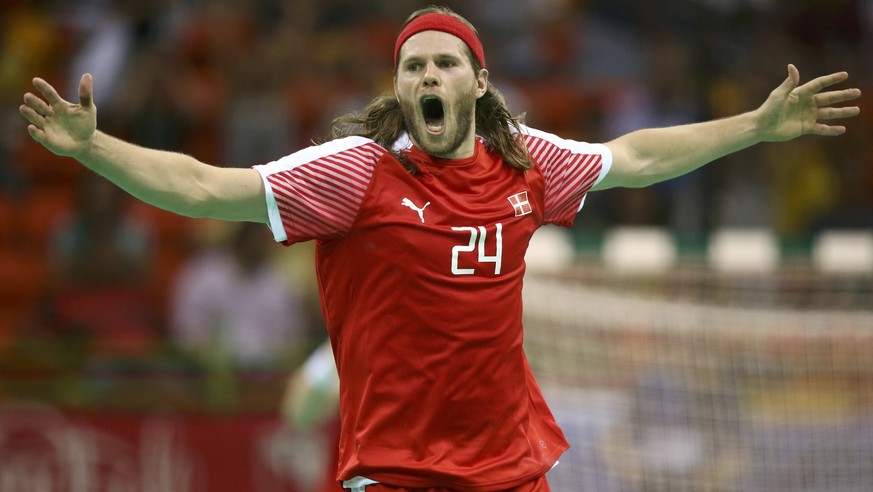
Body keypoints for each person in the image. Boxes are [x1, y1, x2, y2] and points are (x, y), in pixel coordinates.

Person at [18, 5, 861, 491]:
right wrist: (94, 149)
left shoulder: (529, 163)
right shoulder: (353, 176)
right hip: (397, 473)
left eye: (444, 64)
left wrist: (755, 127)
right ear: (399, 87)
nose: (426, 77)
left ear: (477, 82)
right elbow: (203, 187)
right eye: (412, 66)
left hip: (509, 470)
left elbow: (635, 158)